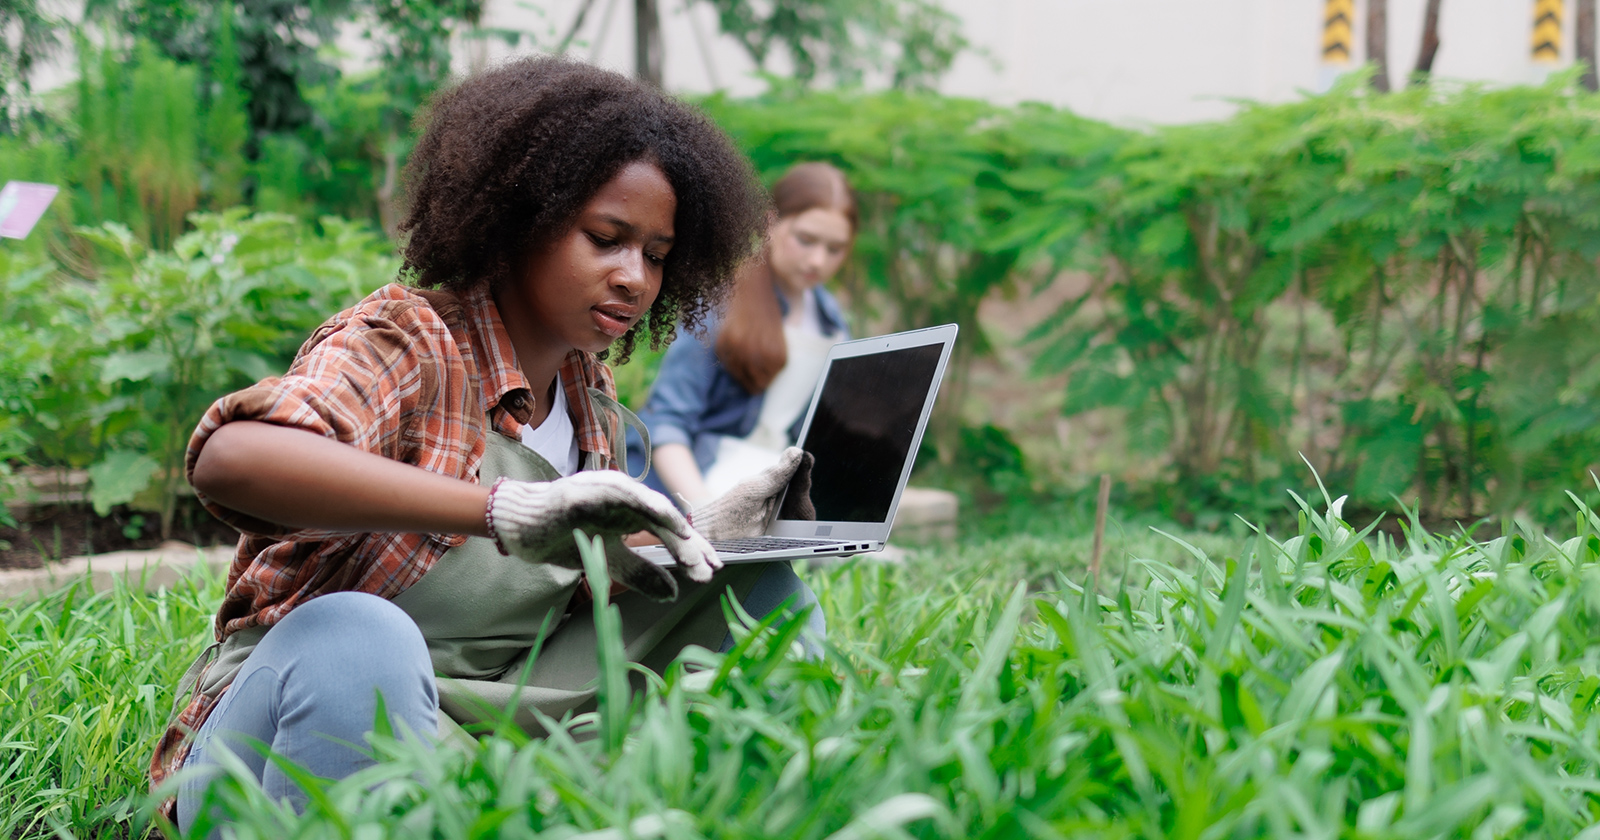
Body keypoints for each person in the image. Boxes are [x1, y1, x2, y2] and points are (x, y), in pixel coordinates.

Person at [151, 57, 823, 829]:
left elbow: (568, 581)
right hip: (298, 730)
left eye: (657, 256)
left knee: (760, 596)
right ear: (521, 221)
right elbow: (233, 458)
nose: (634, 277)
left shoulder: (588, 393)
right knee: (359, 634)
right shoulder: (408, 340)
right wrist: (502, 507)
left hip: (479, 721)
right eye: (606, 238)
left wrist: (709, 533)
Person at [631, 162, 856, 508]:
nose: (817, 261)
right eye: (806, 240)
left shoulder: (832, 321)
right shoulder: (721, 302)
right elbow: (668, 422)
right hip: (699, 483)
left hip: (773, 484)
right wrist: (703, 510)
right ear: (770, 224)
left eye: (834, 249)